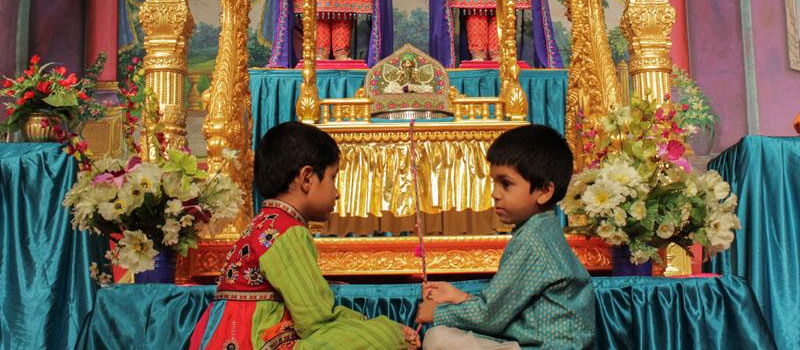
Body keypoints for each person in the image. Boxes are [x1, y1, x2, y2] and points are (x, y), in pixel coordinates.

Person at [190, 122, 419, 349]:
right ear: (307, 178)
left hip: (227, 335)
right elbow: (317, 320)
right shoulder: (287, 231)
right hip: (252, 341)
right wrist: (388, 332)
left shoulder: (265, 222)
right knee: (380, 339)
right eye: (332, 178)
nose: (337, 193)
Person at [415, 125, 595, 349]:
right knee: (442, 335)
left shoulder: (532, 241)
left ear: (544, 191)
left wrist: (437, 312)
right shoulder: (542, 229)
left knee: (439, 338)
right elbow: (503, 309)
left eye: (506, 184)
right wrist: (458, 297)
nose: (495, 193)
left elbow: (490, 316)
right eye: (494, 183)